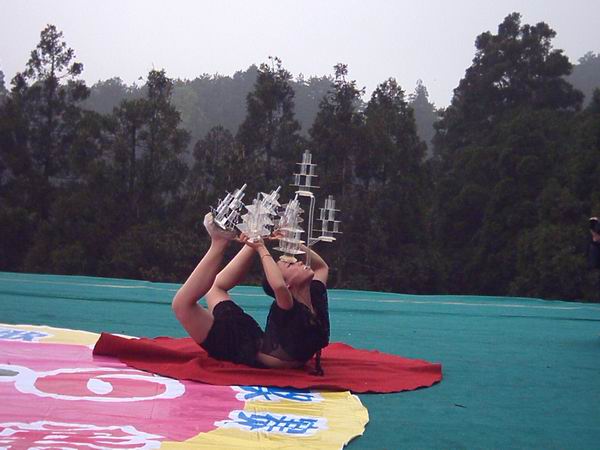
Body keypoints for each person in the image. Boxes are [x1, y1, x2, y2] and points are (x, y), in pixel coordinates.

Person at [243, 235, 330, 374]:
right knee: (217, 291)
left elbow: (321, 267)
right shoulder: (288, 305)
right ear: (287, 284)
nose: (299, 262)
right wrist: (260, 247)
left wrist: (293, 242)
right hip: (252, 354)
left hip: (290, 361)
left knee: (218, 291)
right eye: (290, 265)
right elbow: (278, 286)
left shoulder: (315, 294)